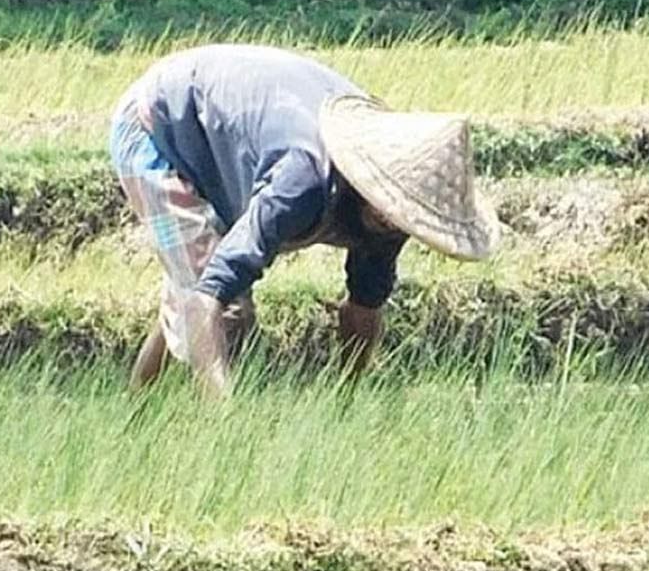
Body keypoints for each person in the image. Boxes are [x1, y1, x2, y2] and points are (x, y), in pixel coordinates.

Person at [108, 44, 499, 397]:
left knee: (193, 284)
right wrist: (226, 424)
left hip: (227, 144)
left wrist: (345, 400)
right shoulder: (301, 181)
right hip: (157, 130)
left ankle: (136, 418)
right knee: (224, 311)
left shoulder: (398, 209)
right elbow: (208, 300)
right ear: (369, 177)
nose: (393, 223)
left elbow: (364, 307)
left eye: (404, 218)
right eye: (390, 208)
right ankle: (194, 433)